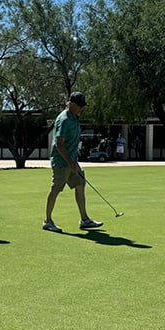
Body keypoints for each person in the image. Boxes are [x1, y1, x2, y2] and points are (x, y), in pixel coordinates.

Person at [43, 92, 103, 232]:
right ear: (71, 104)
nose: (81, 109)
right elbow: (59, 144)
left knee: (80, 185)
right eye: (79, 106)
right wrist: (70, 163)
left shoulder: (74, 117)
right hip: (61, 162)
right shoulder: (64, 120)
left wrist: (73, 162)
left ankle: (84, 219)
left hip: (72, 161)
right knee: (56, 189)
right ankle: (48, 221)